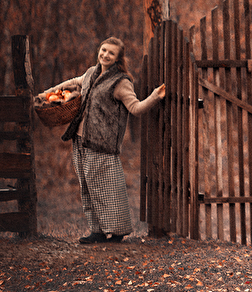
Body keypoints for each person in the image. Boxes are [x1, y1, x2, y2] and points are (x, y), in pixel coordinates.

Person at [40, 37, 165, 245]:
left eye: (111, 53)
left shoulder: (121, 82)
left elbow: (135, 108)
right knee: (87, 187)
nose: (105, 55)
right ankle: (96, 231)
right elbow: (73, 83)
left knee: (108, 189)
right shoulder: (91, 72)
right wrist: (46, 95)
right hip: (80, 140)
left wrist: (155, 96)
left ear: (118, 59)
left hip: (102, 144)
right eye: (104, 50)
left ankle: (117, 232)